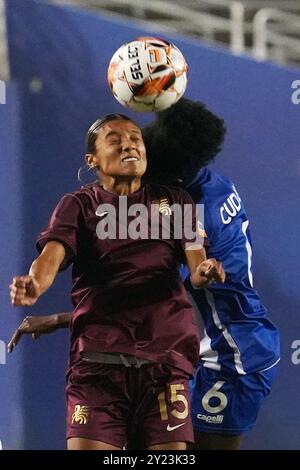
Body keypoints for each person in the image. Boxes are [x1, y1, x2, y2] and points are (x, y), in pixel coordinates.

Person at [9, 98, 280, 450]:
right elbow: (123, 281)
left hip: (233, 351)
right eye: (117, 141)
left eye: (138, 139)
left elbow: (154, 286)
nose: (132, 147)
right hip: (180, 349)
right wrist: (50, 300)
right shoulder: (210, 182)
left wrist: (64, 318)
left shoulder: (191, 208)